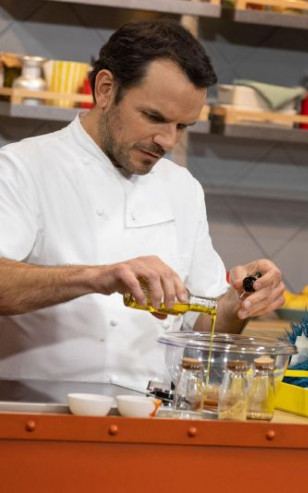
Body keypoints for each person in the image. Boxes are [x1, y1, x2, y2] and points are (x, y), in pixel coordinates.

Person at [0, 20, 285, 388]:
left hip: (151, 411)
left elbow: (204, 328)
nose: (168, 141)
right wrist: (97, 277)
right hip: (34, 408)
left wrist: (240, 301)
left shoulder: (182, 188)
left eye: (182, 126)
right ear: (105, 89)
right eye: (154, 117)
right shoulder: (22, 167)